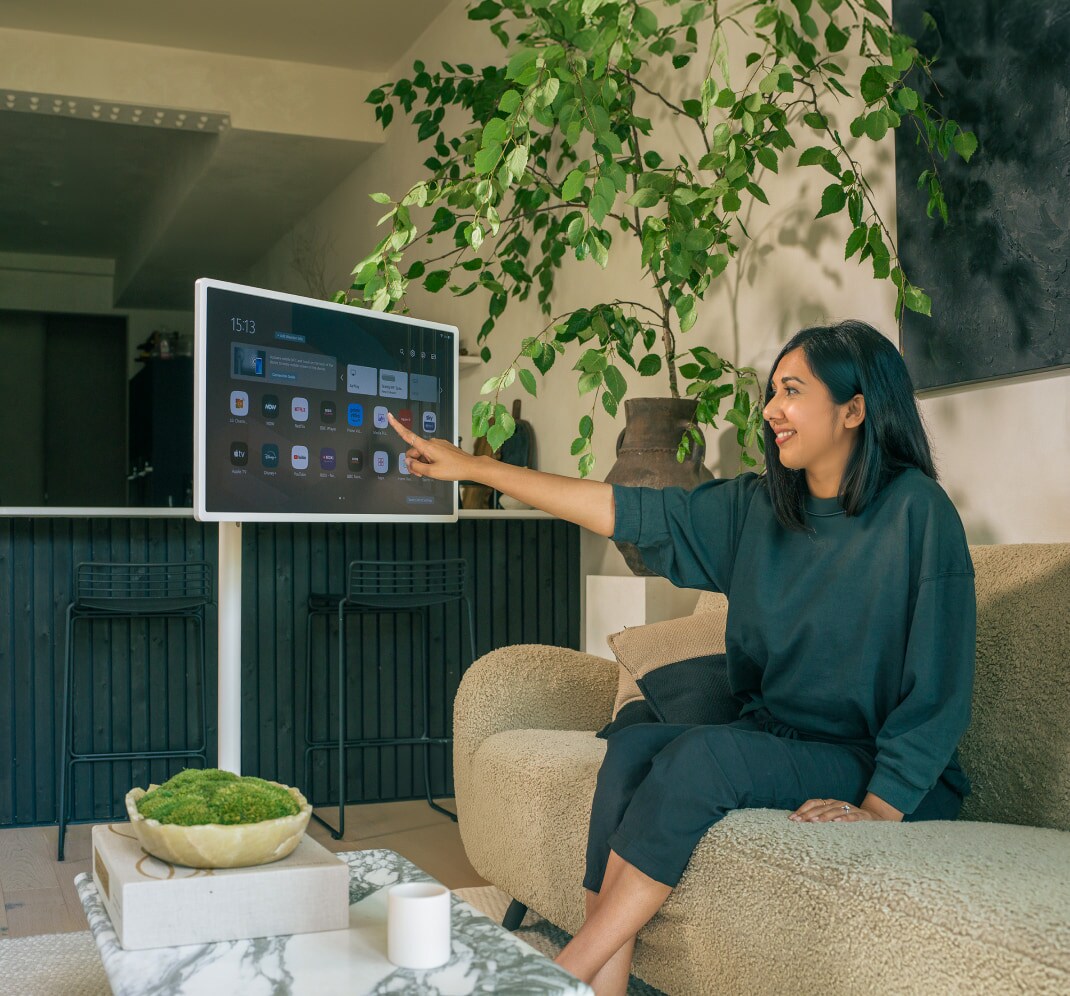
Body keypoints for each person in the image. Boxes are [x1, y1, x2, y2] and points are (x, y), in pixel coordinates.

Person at [388, 320, 975, 996]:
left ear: (854, 408)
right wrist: (477, 468)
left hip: (874, 761)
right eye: (771, 392)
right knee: (634, 745)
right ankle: (603, 990)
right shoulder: (760, 508)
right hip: (781, 739)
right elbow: (626, 509)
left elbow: (940, 686)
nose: (770, 411)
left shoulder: (917, 513)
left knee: (703, 759)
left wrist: (878, 810)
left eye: (791, 390)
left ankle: (560, 979)